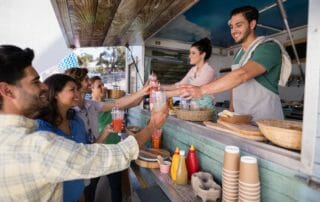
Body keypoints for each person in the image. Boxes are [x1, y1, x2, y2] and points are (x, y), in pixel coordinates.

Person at [0, 44, 167, 201]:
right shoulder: (38, 142)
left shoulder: (73, 119)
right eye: (35, 81)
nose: (44, 87)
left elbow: (91, 144)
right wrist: (153, 125)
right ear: (7, 90)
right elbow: (114, 155)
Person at [181, 6, 289, 121]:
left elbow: (242, 74)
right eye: (231, 27)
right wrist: (231, 111)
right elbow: (235, 85)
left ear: (252, 24)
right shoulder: (239, 55)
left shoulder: (268, 47)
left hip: (265, 121)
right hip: (242, 120)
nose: (233, 31)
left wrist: (201, 90)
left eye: (239, 25)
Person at [65, 68, 147, 201]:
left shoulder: (90, 105)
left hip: (102, 151)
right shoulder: (70, 114)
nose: (90, 83)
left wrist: (143, 91)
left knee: (113, 187)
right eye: (87, 80)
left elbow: (118, 104)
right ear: (76, 84)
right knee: (88, 191)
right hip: (85, 161)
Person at [35, 74, 112, 202]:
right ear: (55, 94)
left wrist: (105, 132)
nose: (78, 93)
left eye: (77, 89)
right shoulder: (41, 127)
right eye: (72, 90)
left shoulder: (76, 121)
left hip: (77, 193)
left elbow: (87, 152)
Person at [161, 37, 216, 109]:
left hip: (206, 110)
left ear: (203, 55)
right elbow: (180, 85)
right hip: (194, 107)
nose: (190, 56)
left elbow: (189, 89)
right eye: (190, 53)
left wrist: (164, 94)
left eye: (193, 53)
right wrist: (159, 86)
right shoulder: (193, 70)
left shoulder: (209, 71)